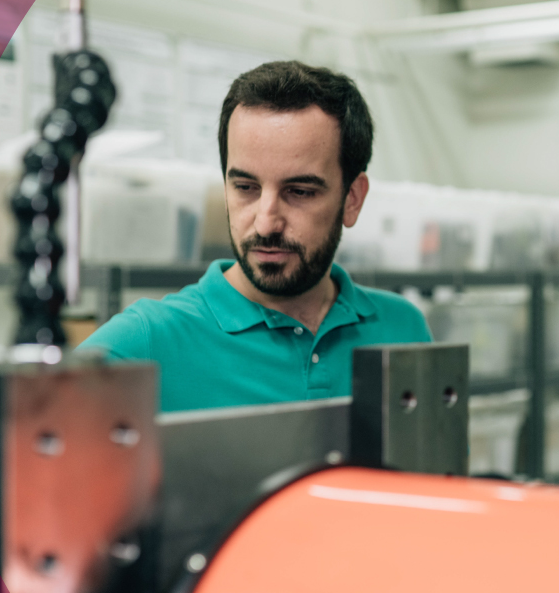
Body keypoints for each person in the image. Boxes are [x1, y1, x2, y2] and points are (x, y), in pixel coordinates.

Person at [79, 61, 431, 412]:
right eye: (246, 187)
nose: (265, 224)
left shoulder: (402, 328)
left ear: (352, 199)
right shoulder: (148, 341)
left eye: (299, 192)